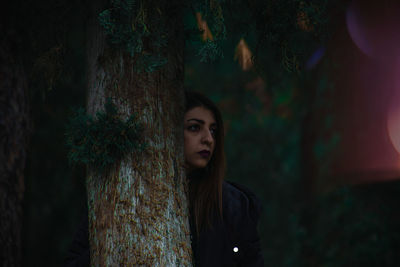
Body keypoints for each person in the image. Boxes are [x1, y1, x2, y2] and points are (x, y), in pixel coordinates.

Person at [65, 91, 264, 266]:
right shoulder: (123, 191)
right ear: (170, 130)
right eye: (195, 128)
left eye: (213, 130)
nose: (208, 139)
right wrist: (118, 242)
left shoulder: (234, 204)